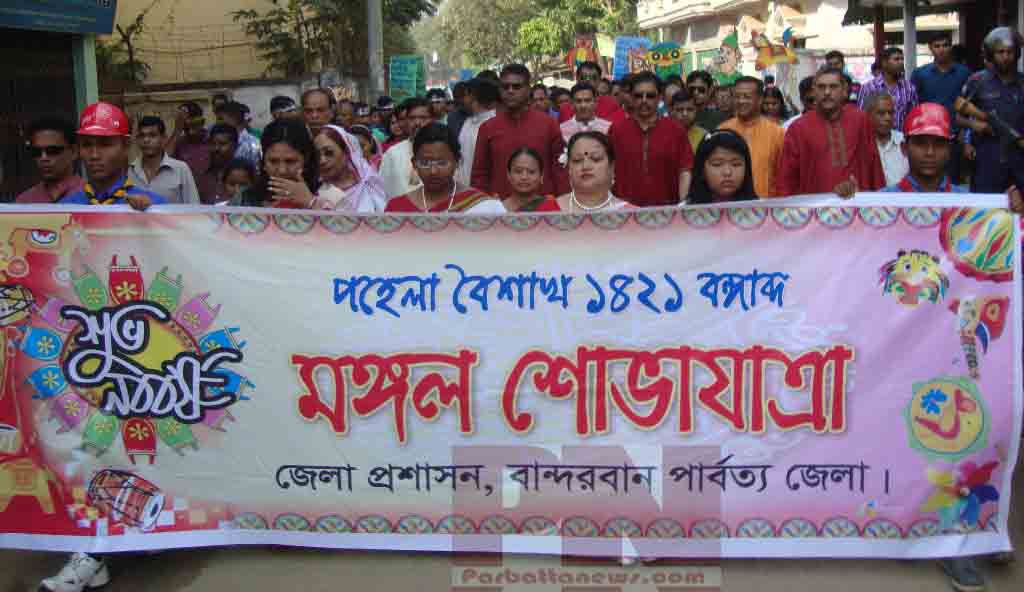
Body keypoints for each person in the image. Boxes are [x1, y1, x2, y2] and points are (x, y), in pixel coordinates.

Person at [777, 68, 885, 197]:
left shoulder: (860, 120)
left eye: (833, 87)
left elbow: (874, 166)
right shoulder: (798, 128)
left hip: (857, 204)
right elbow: (786, 179)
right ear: (814, 91)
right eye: (821, 87)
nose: (827, 92)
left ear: (844, 91)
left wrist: (880, 200)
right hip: (814, 207)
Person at [471, 64, 567, 197]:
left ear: (528, 90)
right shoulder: (487, 128)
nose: (510, 91)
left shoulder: (549, 124)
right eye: (505, 87)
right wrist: (485, 204)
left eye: (516, 87)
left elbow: (560, 171)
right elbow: (479, 175)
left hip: (543, 205)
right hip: (500, 206)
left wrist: (560, 203)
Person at [59, 102, 166, 211]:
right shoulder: (64, 209)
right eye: (86, 145)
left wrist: (150, 215)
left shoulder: (155, 206)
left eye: (105, 144)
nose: (94, 155)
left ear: (126, 145)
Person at [609, 71, 694, 206]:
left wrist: (682, 205)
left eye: (650, 96)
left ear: (660, 98)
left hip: (667, 210)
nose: (644, 100)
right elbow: (607, 169)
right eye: (638, 96)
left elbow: (685, 170)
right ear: (631, 97)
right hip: (624, 211)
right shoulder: (617, 130)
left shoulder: (676, 130)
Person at [385, 123, 505, 214]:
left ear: (457, 162)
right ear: (414, 164)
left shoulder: (484, 208)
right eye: (425, 163)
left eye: (442, 163)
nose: (433, 171)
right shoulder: (397, 209)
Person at [959, 27, 1023, 193]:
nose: (1005, 57)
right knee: (986, 204)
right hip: (988, 158)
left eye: (1010, 52)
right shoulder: (978, 81)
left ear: (1017, 53)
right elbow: (958, 116)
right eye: (1000, 52)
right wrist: (974, 126)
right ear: (991, 55)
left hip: (1019, 158)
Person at [911, 34, 970, 182]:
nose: (941, 49)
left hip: (955, 137)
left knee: (952, 182)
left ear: (951, 47)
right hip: (927, 137)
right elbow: (913, 105)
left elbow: (970, 105)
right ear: (930, 48)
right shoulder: (920, 74)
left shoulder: (964, 73)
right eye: (937, 46)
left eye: (945, 45)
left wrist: (966, 134)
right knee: (926, 181)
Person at [232, 118, 325, 209]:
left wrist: (310, 202)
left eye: (290, 161)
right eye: (273, 161)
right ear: (263, 161)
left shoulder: (325, 195)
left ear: (306, 159)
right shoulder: (244, 200)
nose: (282, 171)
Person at [719, 77, 785, 198]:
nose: (741, 101)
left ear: (760, 100)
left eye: (747, 97)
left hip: (766, 205)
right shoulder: (722, 130)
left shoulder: (777, 133)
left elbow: (784, 175)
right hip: (731, 204)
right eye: (737, 97)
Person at [128, 115, 200, 204]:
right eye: (142, 136)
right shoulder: (129, 172)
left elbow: (193, 206)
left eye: (152, 135)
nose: (146, 140)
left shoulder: (181, 169)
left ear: (164, 138)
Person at [314, 125, 386, 212]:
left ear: (347, 152)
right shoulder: (317, 193)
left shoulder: (370, 183)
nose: (322, 161)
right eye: (317, 155)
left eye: (329, 153)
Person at [556, 131, 631, 212]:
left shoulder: (631, 214)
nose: (585, 166)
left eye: (596, 158)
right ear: (569, 169)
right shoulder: (550, 210)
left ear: (611, 167)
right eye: (577, 160)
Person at [16, 116, 84, 203]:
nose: (43, 158)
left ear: (74, 152)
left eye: (52, 151)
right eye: (36, 152)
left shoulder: (93, 197)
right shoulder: (24, 201)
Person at [380, 97, 434, 198]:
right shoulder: (392, 154)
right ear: (406, 121)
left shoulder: (444, 152)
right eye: (412, 118)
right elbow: (382, 192)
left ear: (432, 120)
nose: (417, 123)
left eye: (423, 118)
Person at [686, 129, 759, 204]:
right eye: (717, 164)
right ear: (702, 170)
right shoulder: (684, 210)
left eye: (736, 164)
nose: (727, 172)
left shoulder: (761, 209)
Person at [858, 47, 919, 131]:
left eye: (902, 59)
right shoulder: (868, 88)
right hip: (875, 137)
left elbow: (914, 117)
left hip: (901, 137)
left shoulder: (909, 88)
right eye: (896, 59)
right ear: (884, 63)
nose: (901, 62)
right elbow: (862, 116)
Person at [456, 77, 499, 186]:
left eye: (465, 95)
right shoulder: (468, 122)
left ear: (473, 97)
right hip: (463, 189)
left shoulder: (494, 124)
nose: (463, 100)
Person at [557, 61, 626, 125]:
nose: (588, 81)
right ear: (577, 79)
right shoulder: (565, 109)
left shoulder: (612, 104)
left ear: (599, 81)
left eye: (594, 78)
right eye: (583, 77)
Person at [863, 93, 909, 187]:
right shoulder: (861, 144)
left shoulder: (904, 141)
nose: (888, 118)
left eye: (891, 113)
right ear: (867, 115)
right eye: (881, 113)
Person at [504, 147, 561, 212]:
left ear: (541, 176)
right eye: (518, 171)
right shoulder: (498, 210)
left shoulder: (550, 207)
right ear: (508, 175)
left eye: (531, 172)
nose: (524, 177)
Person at [195, 124, 239, 204]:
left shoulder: (243, 176)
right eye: (212, 143)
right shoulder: (201, 176)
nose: (216, 148)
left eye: (222, 144)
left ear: (235, 146)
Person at [168, 101, 210, 183]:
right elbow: (162, 162)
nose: (190, 132)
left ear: (202, 122)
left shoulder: (213, 141)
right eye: (186, 128)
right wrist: (177, 131)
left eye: (194, 126)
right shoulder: (177, 143)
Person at [217, 101, 262, 168]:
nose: (218, 123)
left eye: (221, 119)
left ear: (233, 118)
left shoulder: (252, 144)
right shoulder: (221, 140)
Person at [670, 89, 707, 154]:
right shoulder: (663, 135)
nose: (685, 114)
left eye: (690, 109)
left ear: (696, 110)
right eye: (680, 110)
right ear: (672, 111)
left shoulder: (704, 136)